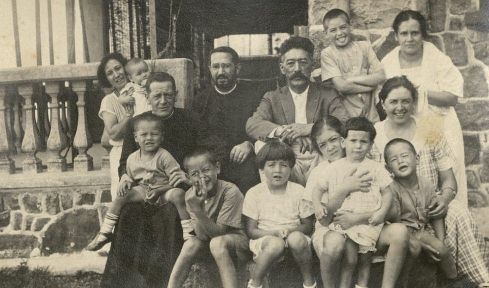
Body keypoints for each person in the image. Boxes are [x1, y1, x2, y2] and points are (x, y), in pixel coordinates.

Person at [373, 76, 489, 287]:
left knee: (458, 212)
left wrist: (443, 200)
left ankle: (480, 280)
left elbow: (448, 181)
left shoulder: (429, 129)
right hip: (395, 210)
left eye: (406, 101)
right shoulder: (375, 135)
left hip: (430, 201)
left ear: (414, 103)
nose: (400, 107)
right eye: (393, 102)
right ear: (382, 103)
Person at [101, 71, 198, 288]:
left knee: (170, 215)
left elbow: (202, 154)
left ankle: (160, 283)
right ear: (148, 96)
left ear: (176, 94)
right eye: (157, 96)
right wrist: (126, 176)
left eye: (168, 95)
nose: (163, 101)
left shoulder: (189, 120)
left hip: (175, 190)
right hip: (144, 189)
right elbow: (125, 161)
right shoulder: (137, 124)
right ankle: (125, 283)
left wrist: (188, 175)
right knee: (128, 213)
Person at [307, 115, 409, 288]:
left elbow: (393, 209)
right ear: (346, 141)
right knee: (345, 251)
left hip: (369, 225)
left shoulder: (373, 167)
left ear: (340, 139)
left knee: (399, 232)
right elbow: (323, 219)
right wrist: (343, 189)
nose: (330, 147)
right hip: (335, 228)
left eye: (333, 140)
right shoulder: (324, 171)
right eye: (323, 145)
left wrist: (360, 218)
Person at [381, 9, 468, 206]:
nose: (409, 39)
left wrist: (419, 94)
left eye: (415, 33)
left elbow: (453, 96)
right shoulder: (388, 62)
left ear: (422, 35)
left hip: (438, 122)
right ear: (396, 36)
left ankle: (454, 223)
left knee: (448, 173)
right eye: (404, 33)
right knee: (414, 173)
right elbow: (384, 97)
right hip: (406, 126)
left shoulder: (437, 58)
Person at [246, 36, 349, 186]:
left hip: (320, 154)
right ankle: (278, 198)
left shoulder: (327, 94)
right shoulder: (272, 97)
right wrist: (287, 132)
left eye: (303, 62)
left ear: (312, 66)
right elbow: (253, 124)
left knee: (340, 144)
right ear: (282, 68)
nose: (297, 69)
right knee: (261, 146)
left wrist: (309, 129)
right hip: (288, 155)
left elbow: (345, 122)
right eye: (291, 63)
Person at [87, 114, 188, 251]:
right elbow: (131, 180)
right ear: (136, 138)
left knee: (178, 194)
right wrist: (126, 183)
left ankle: (189, 234)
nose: (149, 138)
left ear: (162, 137)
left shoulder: (164, 156)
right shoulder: (132, 159)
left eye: (154, 134)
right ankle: (105, 232)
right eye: (144, 134)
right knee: (122, 195)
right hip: (144, 191)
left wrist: (160, 190)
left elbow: (176, 180)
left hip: (164, 190)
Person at [168, 148, 250, 288]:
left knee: (217, 243)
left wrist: (197, 210)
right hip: (211, 243)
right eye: (194, 174)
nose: (202, 177)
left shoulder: (230, 191)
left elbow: (219, 233)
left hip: (237, 245)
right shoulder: (190, 196)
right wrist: (196, 206)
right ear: (188, 178)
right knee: (191, 243)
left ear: (217, 168)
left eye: (206, 170)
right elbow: (202, 236)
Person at [192, 46, 270, 193]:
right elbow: (200, 137)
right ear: (210, 69)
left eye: (226, 66)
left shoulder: (253, 96)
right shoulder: (200, 101)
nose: (221, 72)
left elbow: (262, 126)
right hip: (215, 160)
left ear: (237, 68)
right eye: (216, 66)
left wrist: (250, 144)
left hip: (246, 159)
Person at [384, 138, 457, 287]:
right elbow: (395, 224)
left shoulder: (426, 184)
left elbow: (435, 214)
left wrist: (440, 239)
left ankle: (453, 279)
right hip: (405, 233)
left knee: (442, 249)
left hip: (422, 229)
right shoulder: (392, 189)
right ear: (388, 168)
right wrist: (422, 244)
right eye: (394, 159)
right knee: (416, 250)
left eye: (404, 156)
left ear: (416, 159)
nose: (400, 161)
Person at [243, 140, 316, 288]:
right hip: (265, 238)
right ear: (262, 169)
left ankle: (309, 283)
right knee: (275, 244)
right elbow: (251, 231)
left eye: (283, 165)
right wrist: (274, 233)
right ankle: (255, 283)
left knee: (297, 239)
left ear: (291, 168)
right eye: (271, 165)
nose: (278, 170)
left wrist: (289, 231)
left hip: (294, 235)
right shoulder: (254, 193)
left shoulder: (299, 191)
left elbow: (308, 226)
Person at [321, 8, 384, 122]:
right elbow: (342, 87)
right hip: (347, 116)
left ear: (350, 27)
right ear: (326, 33)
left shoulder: (364, 46)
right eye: (333, 30)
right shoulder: (327, 54)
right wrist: (371, 87)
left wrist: (350, 80)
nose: (339, 33)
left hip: (371, 113)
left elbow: (380, 76)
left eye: (343, 27)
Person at [97, 53, 136, 199]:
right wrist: (128, 116)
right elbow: (113, 134)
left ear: (125, 68)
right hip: (121, 152)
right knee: (122, 196)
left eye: (118, 68)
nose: (116, 74)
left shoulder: (140, 90)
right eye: (109, 73)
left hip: (146, 147)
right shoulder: (109, 101)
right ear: (106, 79)